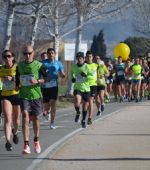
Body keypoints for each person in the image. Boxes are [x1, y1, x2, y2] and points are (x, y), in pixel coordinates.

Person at [16, 45, 49, 154]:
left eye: (29, 53)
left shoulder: (39, 65)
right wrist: (17, 85)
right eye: (25, 54)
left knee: (35, 119)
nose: (27, 55)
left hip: (36, 96)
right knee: (25, 116)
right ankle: (26, 145)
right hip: (24, 96)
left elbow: (47, 78)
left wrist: (38, 81)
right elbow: (17, 78)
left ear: (33, 53)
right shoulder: (19, 65)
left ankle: (36, 140)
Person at [0, 50, 20, 151]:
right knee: (8, 119)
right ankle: (8, 142)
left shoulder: (17, 68)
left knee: (16, 121)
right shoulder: (1, 69)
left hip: (16, 95)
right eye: (4, 57)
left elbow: (22, 81)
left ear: (13, 57)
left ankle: (15, 133)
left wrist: (13, 79)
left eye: (9, 56)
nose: (7, 58)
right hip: (5, 96)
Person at [42, 48, 65, 129]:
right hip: (45, 86)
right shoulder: (43, 63)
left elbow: (62, 73)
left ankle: (52, 123)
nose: (51, 54)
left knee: (53, 103)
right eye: (49, 53)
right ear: (47, 55)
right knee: (46, 105)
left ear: (54, 54)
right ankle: (47, 112)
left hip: (54, 86)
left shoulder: (58, 63)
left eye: (52, 53)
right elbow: (39, 73)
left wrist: (62, 75)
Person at [71, 52, 91, 128]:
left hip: (86, 89)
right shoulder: (74, 66)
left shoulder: (87, 66)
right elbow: (72, 74)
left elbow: (92, 77)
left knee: (85, 106)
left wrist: (86, 76)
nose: (79, 60)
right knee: (77, 100)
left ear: (83, 59)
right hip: (77, 88)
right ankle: (78, 112)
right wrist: (72, 78)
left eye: (80, 58)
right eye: (78, 58)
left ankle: (83, 120)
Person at [85, 51, 98, 125]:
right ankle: (85, 115)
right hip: (85, 85)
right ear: (86, 58)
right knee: (86, 103)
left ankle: (89, 118)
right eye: (87, 57)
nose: (89, 58)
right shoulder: (84, 65)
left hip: (93, 85)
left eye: (90, 56)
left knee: (90, 101)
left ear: (92, 57)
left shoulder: (96, 65)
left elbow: (98, 74)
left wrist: (99, 82)